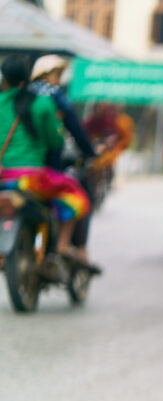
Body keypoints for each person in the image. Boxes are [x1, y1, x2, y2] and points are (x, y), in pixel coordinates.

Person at [0, 57, 90, 260]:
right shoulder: (43, 103)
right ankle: (63, 244)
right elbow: (56, 141)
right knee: (77, 195)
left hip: (2, 177)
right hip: (33, 179)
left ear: (4, 80)